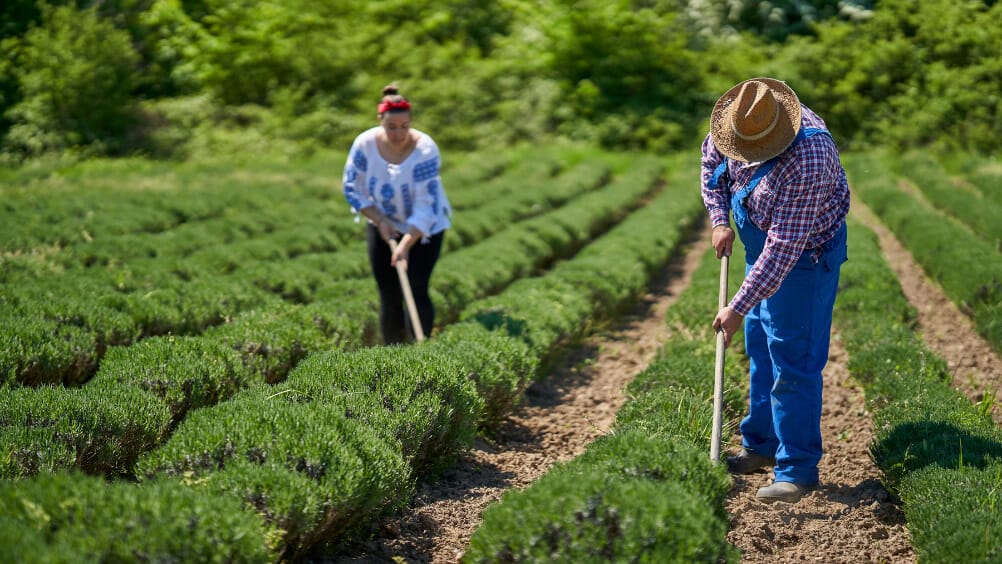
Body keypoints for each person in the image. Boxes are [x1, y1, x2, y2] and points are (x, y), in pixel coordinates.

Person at [700, 77, 850, 503]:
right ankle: (761, 445)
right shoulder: (735, 123)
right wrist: (719, 220)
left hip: (803, 258)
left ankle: (797, 469)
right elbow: (712, 168)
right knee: (761, 347)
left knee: (793, 358)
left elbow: (784, 248)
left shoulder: (810, 155)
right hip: (758, 244)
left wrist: (737, 305)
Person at [342, 83, 451, 344]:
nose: (399, 133)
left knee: (416, 286)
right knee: (389, 292)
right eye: (392, 127)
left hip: (425, 229)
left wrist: (405, 244)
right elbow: (351, 188)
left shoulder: (425, 149)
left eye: (404, 126)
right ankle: (393, 353)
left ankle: (419, 349)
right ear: (380, 121)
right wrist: (380, 221)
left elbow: (427, 204)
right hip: (382, 222)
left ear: (411, 123)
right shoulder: (365, 145)